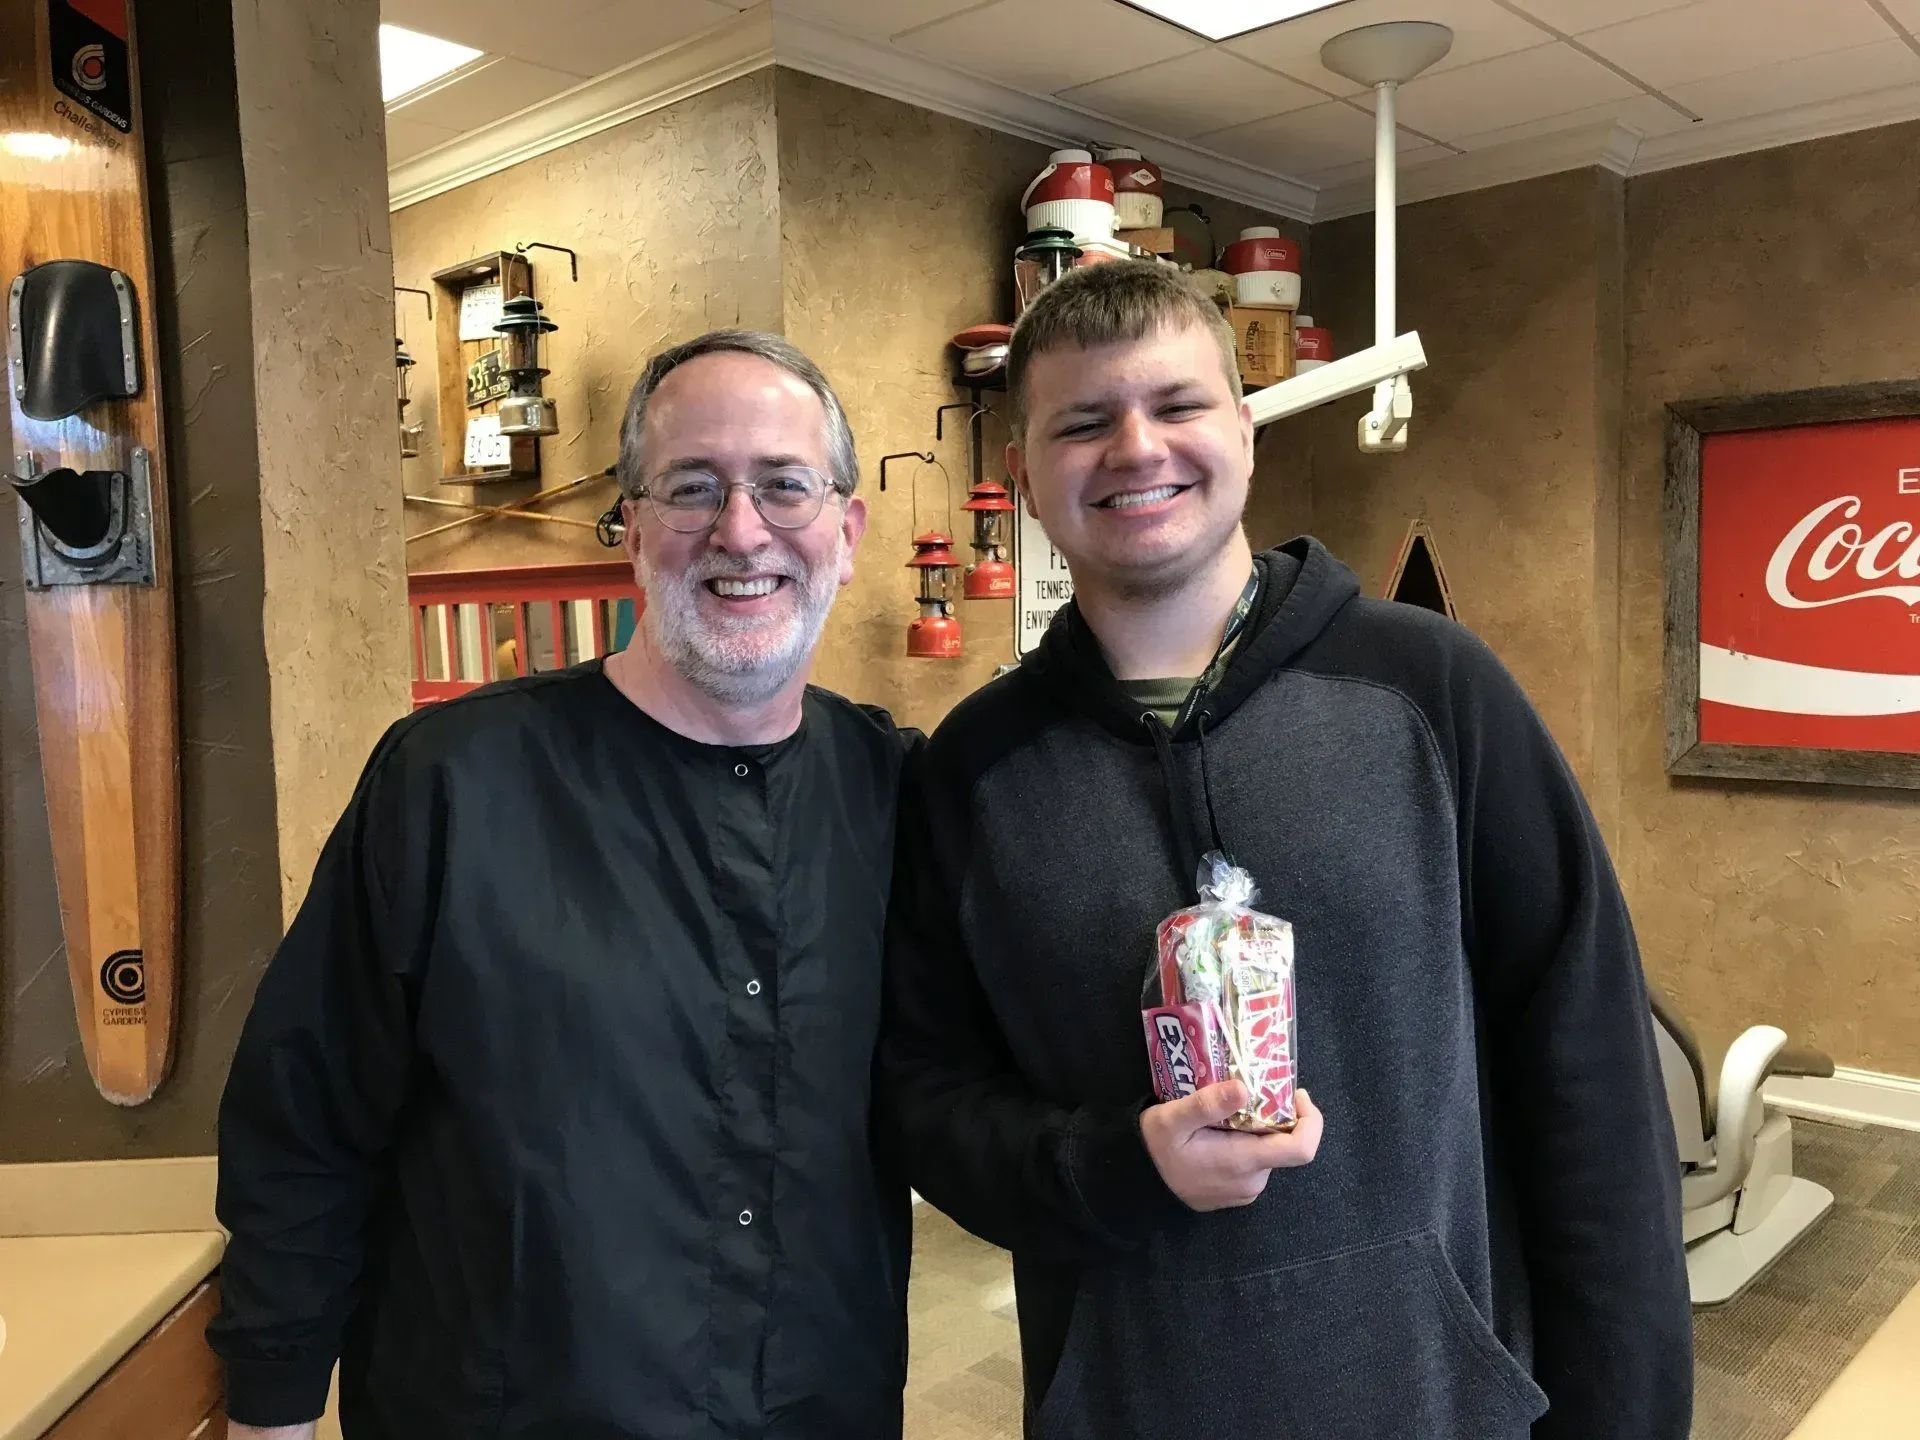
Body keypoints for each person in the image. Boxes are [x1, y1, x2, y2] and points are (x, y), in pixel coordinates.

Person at [881, 262, 1692, 1439]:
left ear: (1245, 432)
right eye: (1083, 421)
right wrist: (1114, 1165)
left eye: (1177, 405)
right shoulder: (976, 771)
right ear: (1024, 474)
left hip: (1439, 1400)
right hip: (1127, 1405)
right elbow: (927, 1098)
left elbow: (1588, 1071)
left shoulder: (1431, 690)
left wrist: (1625, 1414)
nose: (1135, 447)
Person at [212, 331, 914, 1440]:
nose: (742, 532)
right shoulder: (451, 784)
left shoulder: (895, 792)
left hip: (819, 1409)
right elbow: (306, 1122)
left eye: (785, 486)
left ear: (847, 528)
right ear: (632, 530)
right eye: (692, 488)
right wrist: (273, 1409)